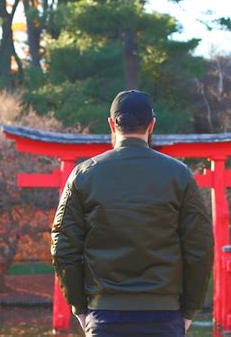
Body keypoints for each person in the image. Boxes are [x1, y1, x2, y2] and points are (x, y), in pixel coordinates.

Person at [51, 90, 213, 336]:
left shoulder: (84, 175)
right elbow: (199, 247)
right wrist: (189, 309)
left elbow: (63, 247)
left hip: (104, 312)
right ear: (152, 125)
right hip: (164, 314)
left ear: (111, 125)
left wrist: (80, 307)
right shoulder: (178, 175)